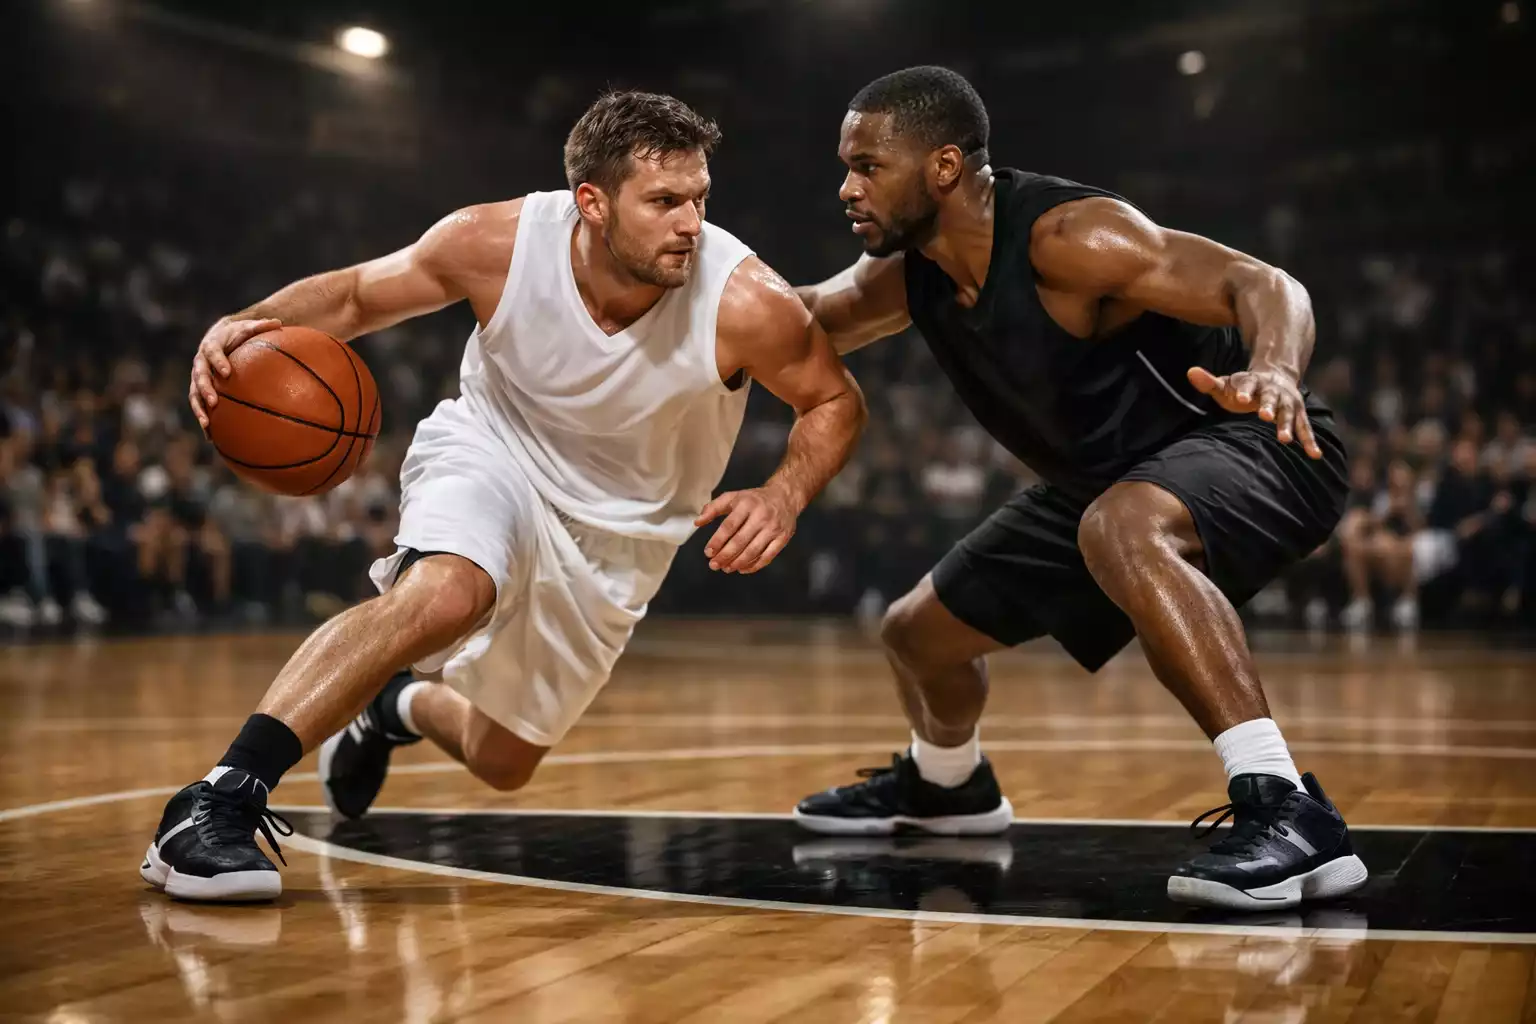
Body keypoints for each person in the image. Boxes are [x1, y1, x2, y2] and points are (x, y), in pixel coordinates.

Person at [141, 90, 865, 902]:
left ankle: (396, 709)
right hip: (496, 453)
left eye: (699, 198)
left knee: (504, 761)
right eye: (663, 202)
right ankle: (218, 799)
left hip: (622, 535)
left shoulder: (744, 300)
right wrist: (247, 323)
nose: (690, 223)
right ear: (591, 202)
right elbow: (352, 298)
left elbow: (834, 400)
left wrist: (784, 494)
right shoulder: (495, 243)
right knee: (447, 591)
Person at [791, 66, 1365, 912]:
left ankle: (1287, 807)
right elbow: (802, 315)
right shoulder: (907, 274)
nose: (847, 187)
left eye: (867, 166)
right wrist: (666, 295)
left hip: (1257, 439)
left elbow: (1266, 284)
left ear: (943, 168)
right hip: (1105, 487)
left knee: (1121, 527)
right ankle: (949, 788)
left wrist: (1273, 369)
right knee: (918, 636)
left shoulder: (1069, 238)